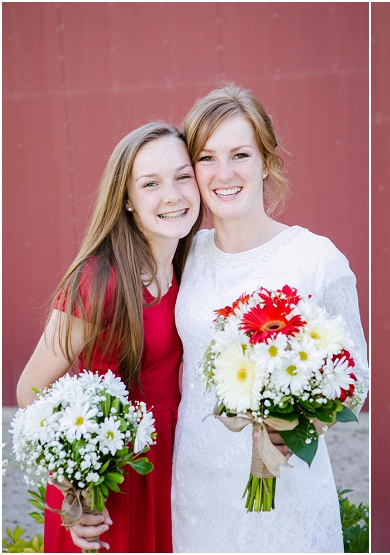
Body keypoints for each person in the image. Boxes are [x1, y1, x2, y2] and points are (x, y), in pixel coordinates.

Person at [170, 84, 369, 552]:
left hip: (287, 487)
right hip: (197, 489)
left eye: (240, 154)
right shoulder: (182, 256)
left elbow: (355, 379)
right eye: (206, 158)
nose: (224, 174)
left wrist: (297, 422)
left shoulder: (315, 259)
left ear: (266, 161)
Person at [16, 122, 202, 552]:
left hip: (171, 465)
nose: (172, 195)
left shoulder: (186, 265)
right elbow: (30, 390)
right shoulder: (100, 280)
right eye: (150, 184)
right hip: (115, 484)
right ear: (128, 201)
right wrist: (76, 490)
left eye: (182, 176)